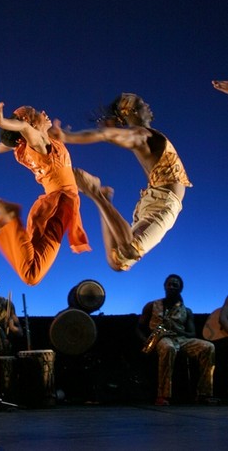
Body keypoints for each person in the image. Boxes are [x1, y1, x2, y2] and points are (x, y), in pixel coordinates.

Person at [53, 93, 192, 271]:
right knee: (128, 252)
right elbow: (106, 134)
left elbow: (109, 133)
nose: (147, 104)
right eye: (141, 102)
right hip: (162, 203)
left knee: (117, 263)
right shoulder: (141, 134)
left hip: (153, 199)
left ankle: (103, 198)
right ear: (130, 110)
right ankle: (96, 194)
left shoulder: (144, 136)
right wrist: (67, 136)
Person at [0, 93, 95, 286]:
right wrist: (1, 121)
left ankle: (7, 225)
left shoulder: (28, 147)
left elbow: (12, 142)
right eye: (36, 112)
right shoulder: (40, 145)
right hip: (59, 205)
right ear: (30, 122)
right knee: (31, 274)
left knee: (30, 266)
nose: (43, 113)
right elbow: (24, 129)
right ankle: (9, 220)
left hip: (52, 206)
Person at [137, 274, 217, 406]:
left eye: (175, 285)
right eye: (169, 284)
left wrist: (178, 330)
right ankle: (163, 396)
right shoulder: (151, 305)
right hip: (161, 338)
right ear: (164, 286)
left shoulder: (187, 311)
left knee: (209, 347)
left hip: (181, 339)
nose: (171, 287)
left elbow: (192, 333)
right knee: (169, 348)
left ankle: (204, 394)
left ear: (180, 289)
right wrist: (145, 340)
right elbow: (139, 328)